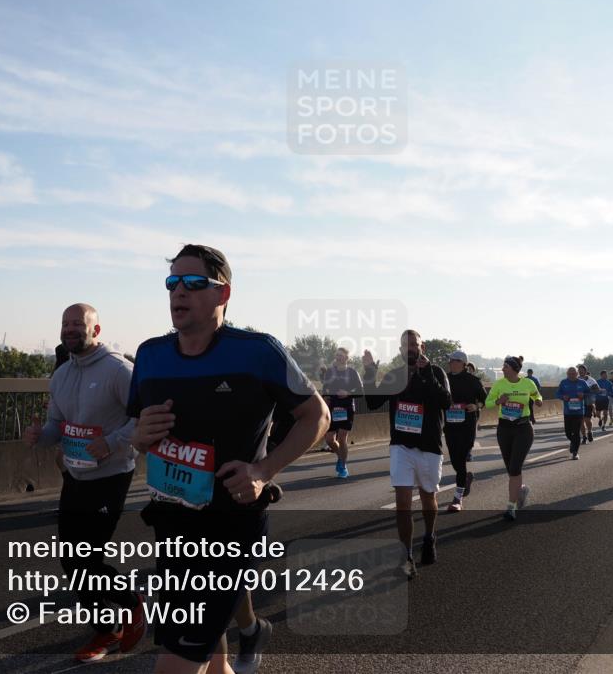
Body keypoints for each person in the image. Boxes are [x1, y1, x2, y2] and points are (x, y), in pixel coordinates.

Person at [130, 244, 329, 674]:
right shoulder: (149, 355)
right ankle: (251, 632)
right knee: (210, 652)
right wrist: (138, 436)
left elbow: (317, 415)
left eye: (194, 282)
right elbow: (139, 433)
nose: (178, 292)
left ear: (223, 294)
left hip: (231, 524)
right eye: (172, 283)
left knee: (176, 662)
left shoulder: (257, 351)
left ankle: (250, 630)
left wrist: (263, 470)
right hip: (172, 522)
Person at [24, 304, 145, 663]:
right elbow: (56, 427)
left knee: (86, 557)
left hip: (111, 476)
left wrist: (110, 442)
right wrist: (39, 435)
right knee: (71, 559)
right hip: (75, 475)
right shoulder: (62, 375)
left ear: (96, 330)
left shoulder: (119, 371)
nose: (71, 329)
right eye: (66, 324)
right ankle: (107, 628)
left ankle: (129, 603)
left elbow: (143, 419)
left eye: (79, 323)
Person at [362, 331, 451, 578]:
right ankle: (406, 556)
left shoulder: (437, 372)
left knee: (427, 498)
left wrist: (428, 374)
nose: (410, 348)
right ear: (400, 349)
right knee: (402, 503)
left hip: (429, 446)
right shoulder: (394, 375)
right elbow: (372, 402)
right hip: (401, 445)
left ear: (422, 346)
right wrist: (369, 372)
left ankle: (430, 535)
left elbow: (445, 401)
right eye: (405, 344)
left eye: (414, 344)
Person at [485, 356, 543, 520]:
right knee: (511, 469)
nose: (502, 369)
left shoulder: (527, 383)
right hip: (504, 429)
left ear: (514, 369)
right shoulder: (499, 384)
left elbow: (537, 395)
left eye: (505, 367)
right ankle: (521, 490)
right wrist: (499, 400)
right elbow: (487, 403)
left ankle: (511, 507)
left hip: (523, 428)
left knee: (515, 467)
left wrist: (538, 401)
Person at [445, 350, 487, 511]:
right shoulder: (444, 379)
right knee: (456, 461)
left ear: (463, 363)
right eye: (450, 360)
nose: (450, 363)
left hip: (468, 425)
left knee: (461, 460)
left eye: (454, 360)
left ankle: (457, 498)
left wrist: (476, 406)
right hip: (450, 425)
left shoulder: (473, 380)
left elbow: (485, 400)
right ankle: (466, 479)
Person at [321, 347, 363, 479]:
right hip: (332, 408)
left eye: (341, 355)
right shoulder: (330, 372)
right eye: (337, 355)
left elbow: (360, 391)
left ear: (347, 358)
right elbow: (325, 389)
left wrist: (348, 393)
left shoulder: (352, 372)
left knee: (342, 438)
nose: (338, 357)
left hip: (347, 408)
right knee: (329, 439)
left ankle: (343, 466)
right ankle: (341, 457)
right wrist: (325, 400)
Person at [556, 367, 589, 460]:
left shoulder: (582, 383)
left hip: (579, 412)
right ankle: (573, 442)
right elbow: (557, 394)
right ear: (567, 374)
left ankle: (575, 453)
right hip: (568, 412)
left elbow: (589, 393)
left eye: (574, 373)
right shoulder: (563, 382)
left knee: (576, 432)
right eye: (570, 374)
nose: (572, 375)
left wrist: (583, 395)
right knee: (568, 432)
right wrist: (563, 397)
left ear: (577, 373)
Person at [577, 365, 599, 442]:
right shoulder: (576, 380)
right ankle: (584, 436)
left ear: (585, 371)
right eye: (579, 370)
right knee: (580, 421)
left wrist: (587, 392)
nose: (580, 371)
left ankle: (589, 431)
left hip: (588, 402)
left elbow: (597, 390)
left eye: (582, 370)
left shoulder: (591, 380)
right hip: (578, 403)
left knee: (587, 420)